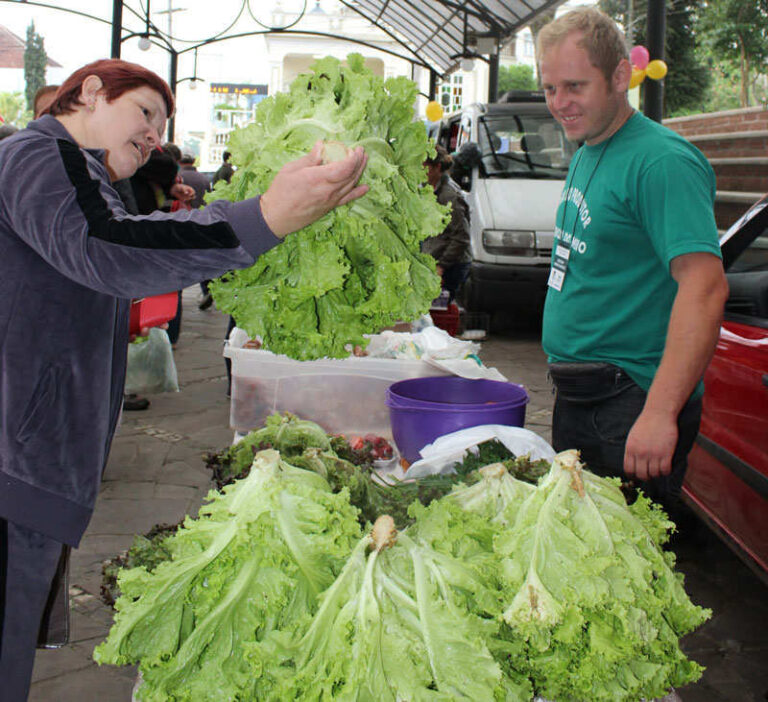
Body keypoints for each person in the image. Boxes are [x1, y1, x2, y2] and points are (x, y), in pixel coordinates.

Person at [0, 57, 367, 701]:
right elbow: (105, 247)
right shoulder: (37, 155)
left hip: (36, 457)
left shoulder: (79, 171)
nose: (152, 138)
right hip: (15, 461)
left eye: (162, 127)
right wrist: (265, 217)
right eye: (144, 112)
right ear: (88, 92)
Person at [537, 8, 729, 516]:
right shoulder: (589, 147)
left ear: (620, 75)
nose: (560, 103)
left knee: (623, 573)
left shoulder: (661, 162)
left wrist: (660, 412)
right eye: (550, 88)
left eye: (574, 86)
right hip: (583, 397)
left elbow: (705, 289)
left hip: (629, 405)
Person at [421, 145, 471, 302]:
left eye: (425, 168)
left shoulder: (449, 196)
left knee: (441, 310)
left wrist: (441, 266)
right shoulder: (428, 188)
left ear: (438, 167)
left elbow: (461, 237)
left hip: (451, 265)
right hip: (436, 260)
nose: (421, 173)